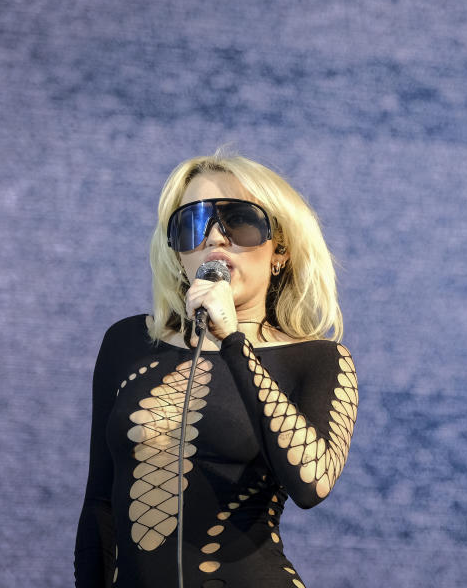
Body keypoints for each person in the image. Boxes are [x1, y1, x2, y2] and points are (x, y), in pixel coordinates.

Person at [74, 150, 358, 587]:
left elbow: (311, 483)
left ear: (279, 249)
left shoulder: (318, 359)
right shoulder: (128, 342)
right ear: (177, 253)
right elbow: (100, 504)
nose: (215, 238)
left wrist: (233, 341)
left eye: (239, 220)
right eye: (193, 223)